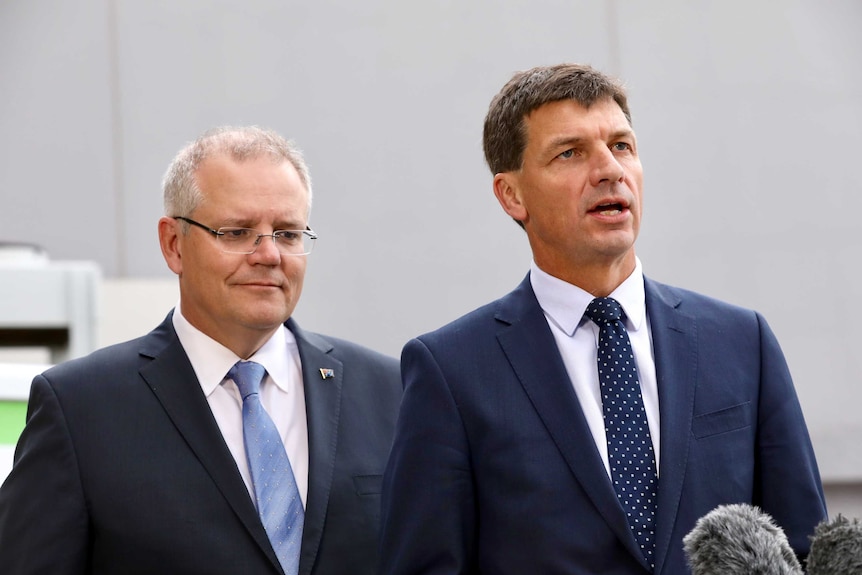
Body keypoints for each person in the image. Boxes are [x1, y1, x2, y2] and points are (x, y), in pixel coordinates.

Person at [379, 64, 827, 574]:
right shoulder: (451, 371)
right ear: (512, 195)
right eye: (570, 153)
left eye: (622, 146)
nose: (609, 169)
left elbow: (805, 552)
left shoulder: (743, 342)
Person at [0, 126, 402, 575]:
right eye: (236, 232)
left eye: (287, 234)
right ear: (174, 244)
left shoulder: (390, 392)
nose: (268, 255)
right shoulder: (79, 409)